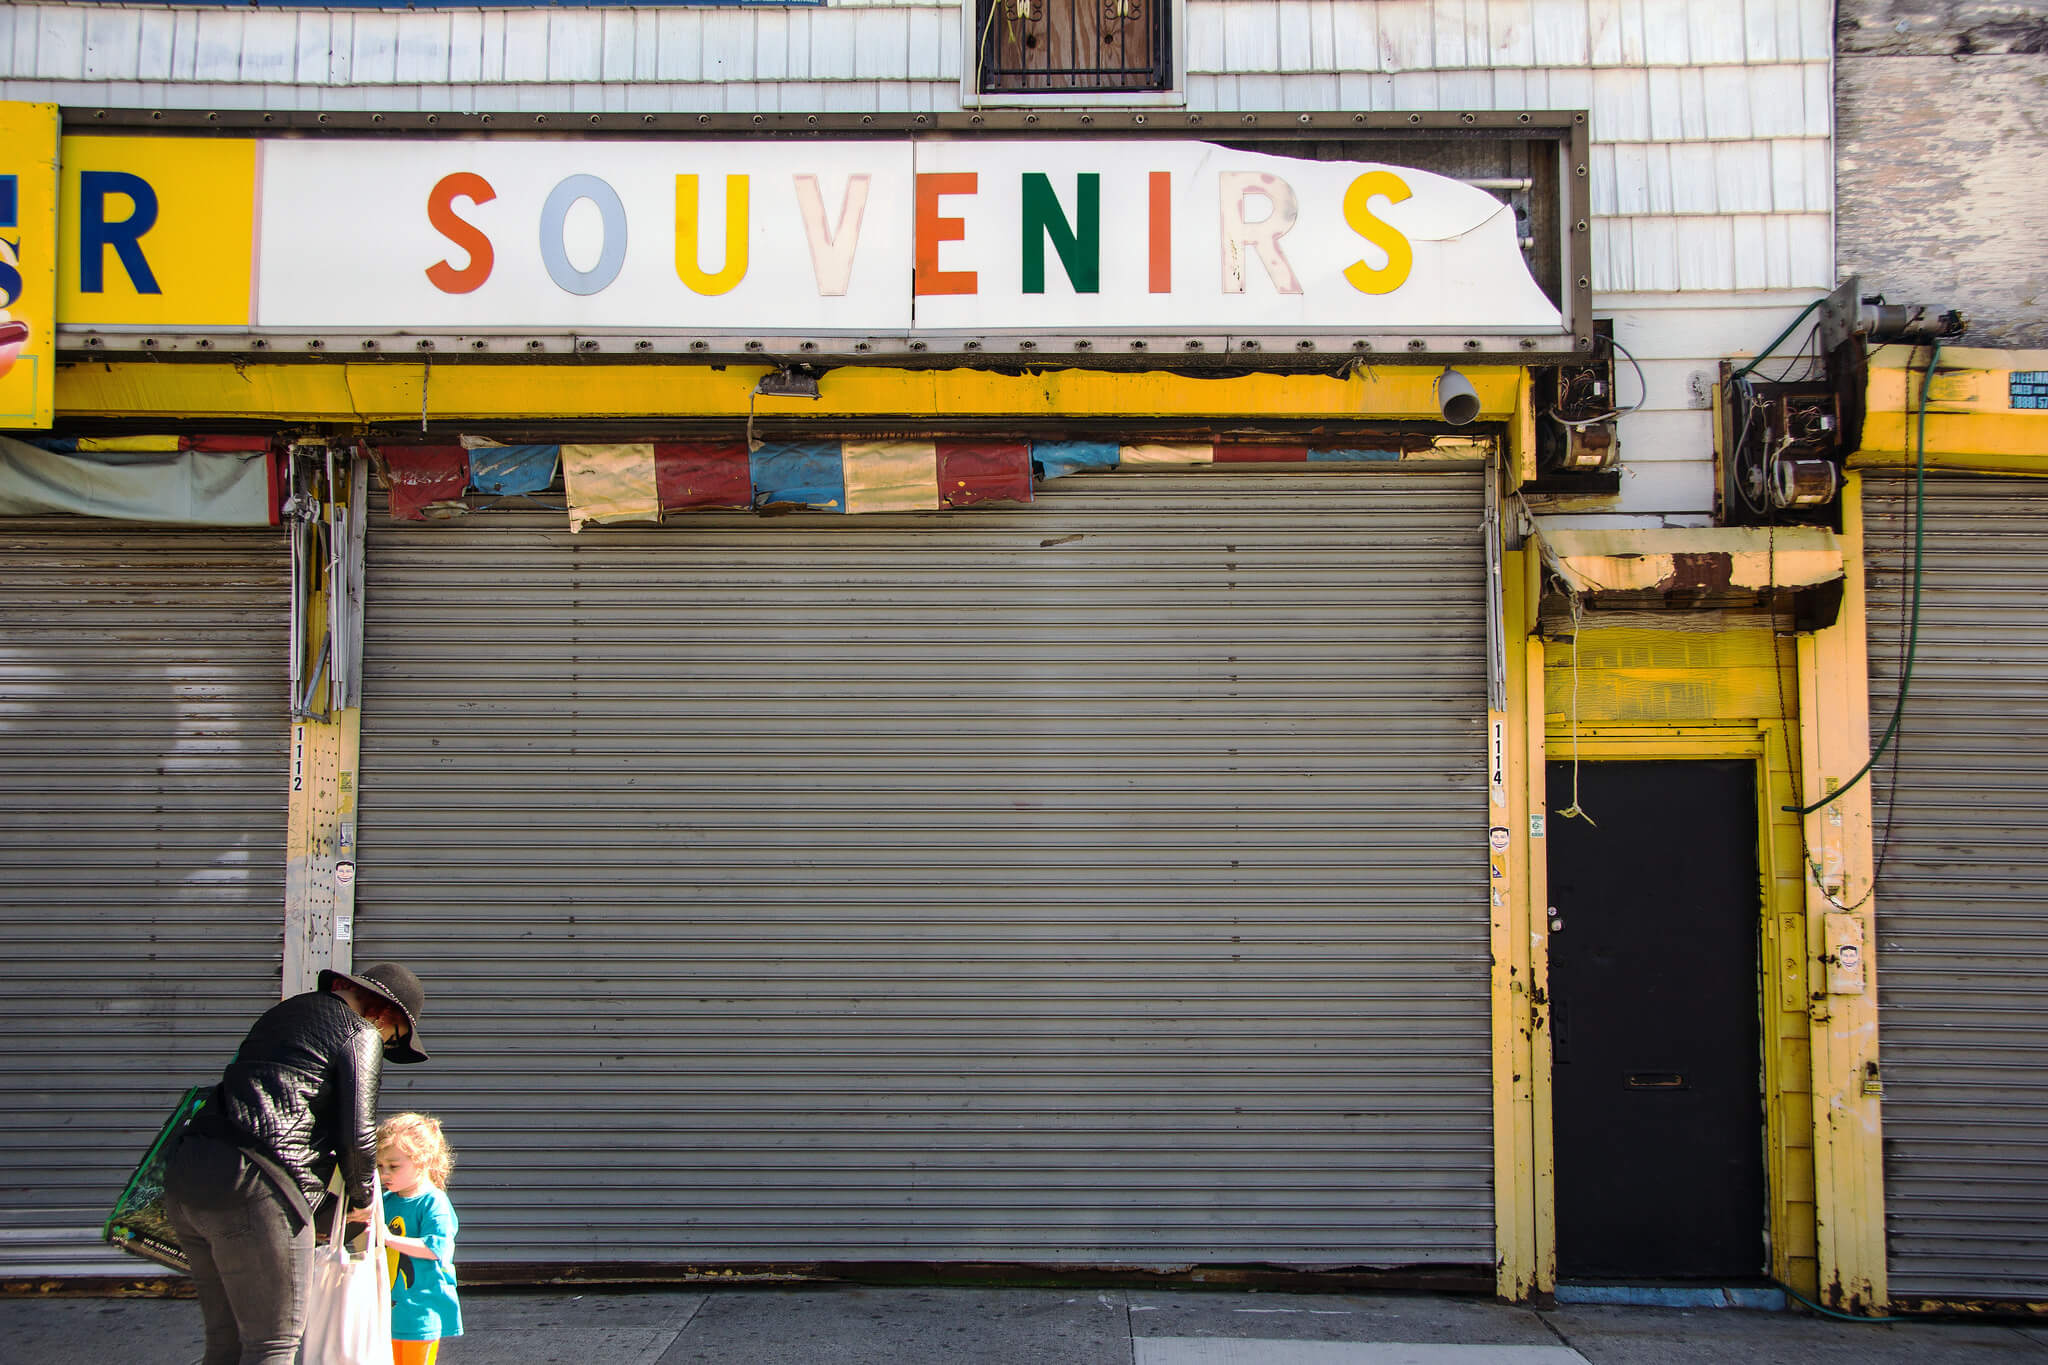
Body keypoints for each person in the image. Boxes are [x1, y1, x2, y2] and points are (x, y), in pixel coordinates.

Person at [162, 963, 430, 1365]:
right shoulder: (359, 1033)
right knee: (273, 1344)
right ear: (385, 1014)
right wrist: (362, 1199)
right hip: (257, 1186)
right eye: (393, 1040)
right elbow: (357, 1133)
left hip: (188, 1177)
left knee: (227, 1342)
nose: (386, 1046)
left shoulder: (282, 1014)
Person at [362, 1112, 465, 1364]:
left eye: (394, 1166)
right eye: (380, 1166)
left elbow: (435, 1248)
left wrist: (387, 1238)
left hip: (420, 1311)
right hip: (386, 1311)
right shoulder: (385, 1201)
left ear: (422, 1161)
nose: (385, 1174)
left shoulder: (433, 1202)